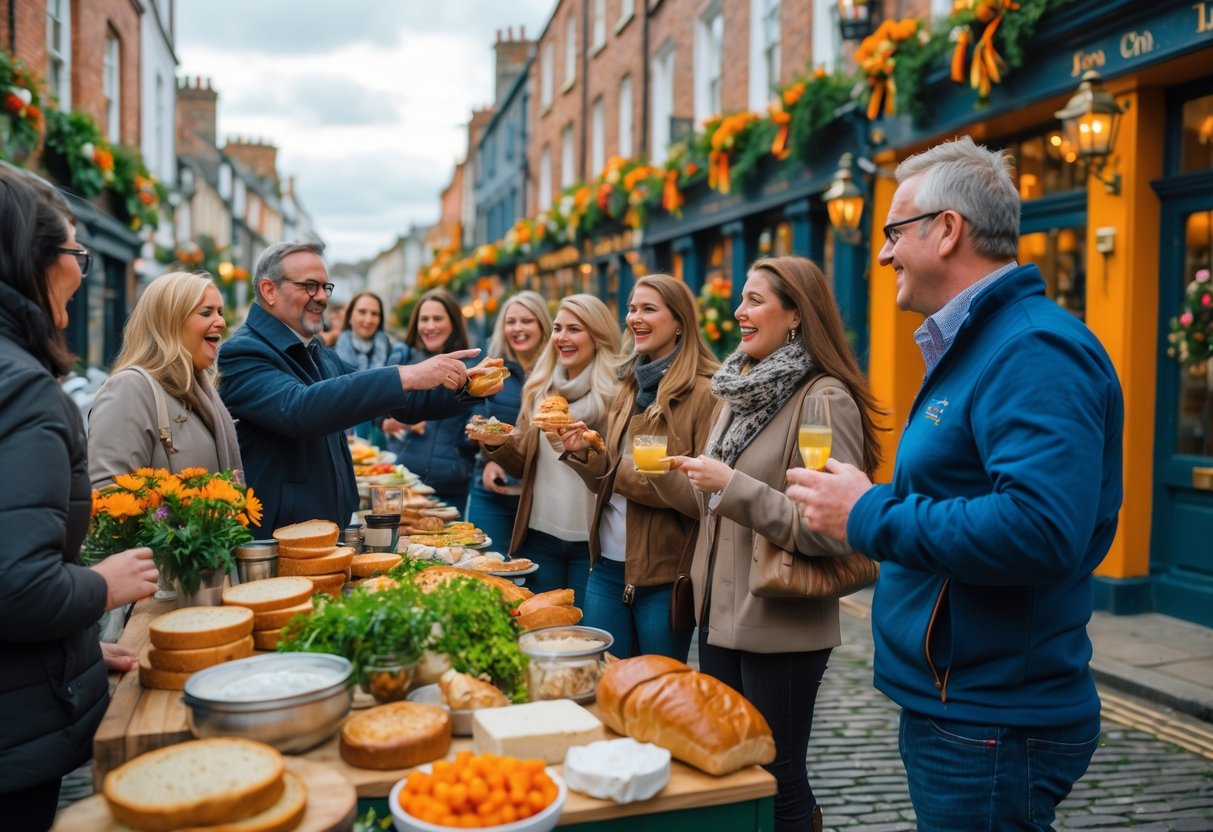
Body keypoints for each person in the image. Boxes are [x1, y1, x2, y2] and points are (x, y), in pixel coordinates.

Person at [786, 137, 1124, 831]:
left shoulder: (1032, 348)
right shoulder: (983, 342)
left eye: (893, 232)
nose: (881, 255)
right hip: (965, 704)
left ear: (946, 230)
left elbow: (1037, 529)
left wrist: (866, 511)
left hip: (991, 717)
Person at [655, 256, 884, 832]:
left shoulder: (822, 399)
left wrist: (731, 486)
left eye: (755, 300)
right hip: (717, 619)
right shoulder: (737, 390)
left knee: (780, 782)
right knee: (732, 774)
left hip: (778, 621)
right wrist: (686, 481)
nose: (739, 311)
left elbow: (830, 527)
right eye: (742, 299)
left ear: (796, 316)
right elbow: (715, 513)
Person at [0, 167, 158, 830]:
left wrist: (74, 656)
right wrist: (102, 586)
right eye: (77, 253)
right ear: (32, 258)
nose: (85, 271)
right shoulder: (26, 389)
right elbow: (16, 584)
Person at [217, 242, 497, 534]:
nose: (322, 298)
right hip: (282, 536)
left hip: (321, 530)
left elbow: (400, 403)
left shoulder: (314, 349)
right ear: (269, 290)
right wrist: (406, 374)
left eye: (326, 287)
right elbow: (299, 408)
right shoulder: (244, 351)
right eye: (310, 286)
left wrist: (469, 386)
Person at [558, 275, 718, 661]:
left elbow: (696, 490)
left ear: (679, 321)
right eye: (632, 309)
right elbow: (607, 480)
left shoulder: (705, 392)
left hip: (663, 576)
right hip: (607, 568)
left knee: (656, 696)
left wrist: (613, 472)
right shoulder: (629, 384)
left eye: (649, 309)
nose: (635, 318)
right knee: (605, 683)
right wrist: (584, 455)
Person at [479, 294, 621, 602]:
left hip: (594, 544)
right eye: (558, 328)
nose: (562, 337)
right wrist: (497, 445)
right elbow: (523, 464)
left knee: (584, 637)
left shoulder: (618, 396)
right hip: (539, 536)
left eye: (574, 329)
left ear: (597, 337)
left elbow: (614, 473)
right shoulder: (539, 388)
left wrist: (583, 449)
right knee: (542, 629)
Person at [89, 271, 242, 489]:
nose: (221, 322)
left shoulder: (202, 394)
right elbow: (106, 494)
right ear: (170, 323)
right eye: (206, 313)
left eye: (220, 312)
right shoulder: (131, 388)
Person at [464, 291, 551, 547]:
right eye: (511, 322)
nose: (518, 329)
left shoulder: (557, 371)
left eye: (527, 321)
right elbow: (471, 419)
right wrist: (490, 457)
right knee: (489, 567)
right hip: (492, 488)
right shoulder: (491, 368)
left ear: (543, 325)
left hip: (541, 491)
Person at [384, 288, 481, 512]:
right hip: (403, 479)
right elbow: (380, 409)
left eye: (438, 318)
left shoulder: (470, 366)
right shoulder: (404, 358)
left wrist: (477, 431)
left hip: (448, 483)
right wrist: (389, 423)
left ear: (454, 323)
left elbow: (478, 417)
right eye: (424, 319)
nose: (429, 326)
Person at [334, 290, 396, 446]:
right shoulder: (331, 349)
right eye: (362, 312)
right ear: (350, 317)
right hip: (339, 432)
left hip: (379, 435)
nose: (368, 319)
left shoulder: (392, 351)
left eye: (374, 314)